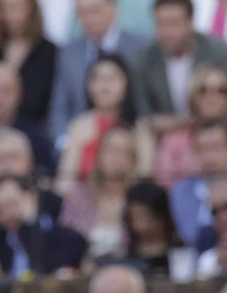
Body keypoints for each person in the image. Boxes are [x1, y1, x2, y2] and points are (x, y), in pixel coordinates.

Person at [55, 52, 153, 196]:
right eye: (97, 78)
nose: (104, 85)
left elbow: (144, 180)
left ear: (127, 83)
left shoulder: (140, 128)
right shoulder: (78, 125)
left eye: (112, 78)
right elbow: (64, 184)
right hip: (82, 208)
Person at [133, 0, 227, 131]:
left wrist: (185, 122)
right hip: (163, 136)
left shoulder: (220, 53)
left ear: (190, 23)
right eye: (161, 24)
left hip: (213, 130)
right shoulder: (144, 57)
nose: (167, 32)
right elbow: (143, 111)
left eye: (174, 24)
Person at [49, 0, 148, 136]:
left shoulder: (140, 48)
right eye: (82, 13)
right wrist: (64, 143)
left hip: (128, 138)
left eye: (94, 11)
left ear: (113, 9)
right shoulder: (69, 53)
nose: (88, 19)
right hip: (80, 139)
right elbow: (59, 107)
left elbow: (145, 102)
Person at [151, 61, 227, 187]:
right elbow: (164, 184)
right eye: (203, 90)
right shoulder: (173, 140)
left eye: (221, 91)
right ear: (193, 95)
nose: (212, 97)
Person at [0, 176, 88, 277]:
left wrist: (30, 223)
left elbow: (47, 265)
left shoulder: (62, 236)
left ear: (31, 197)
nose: (7, 214)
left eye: (11, 204)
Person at [59, 123, 139, 261]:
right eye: (111, 150)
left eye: (124, 152)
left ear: (133, 161)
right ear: (99, 156)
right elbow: (65, 240)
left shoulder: (138, 200)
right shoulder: (79, 196)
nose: (116, 158)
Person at [0, 0, 57, 130]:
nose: (9, 15)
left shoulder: (48, 51)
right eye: (3, 9)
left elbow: (43, 99)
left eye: (15, 8)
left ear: (31, 9)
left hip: (33, 126)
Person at [105, 176, 177, 274]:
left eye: (144, 217)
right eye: (132, 217)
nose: (137, 224)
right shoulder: (122, 256)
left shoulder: (180, 256)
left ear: (161, 218)